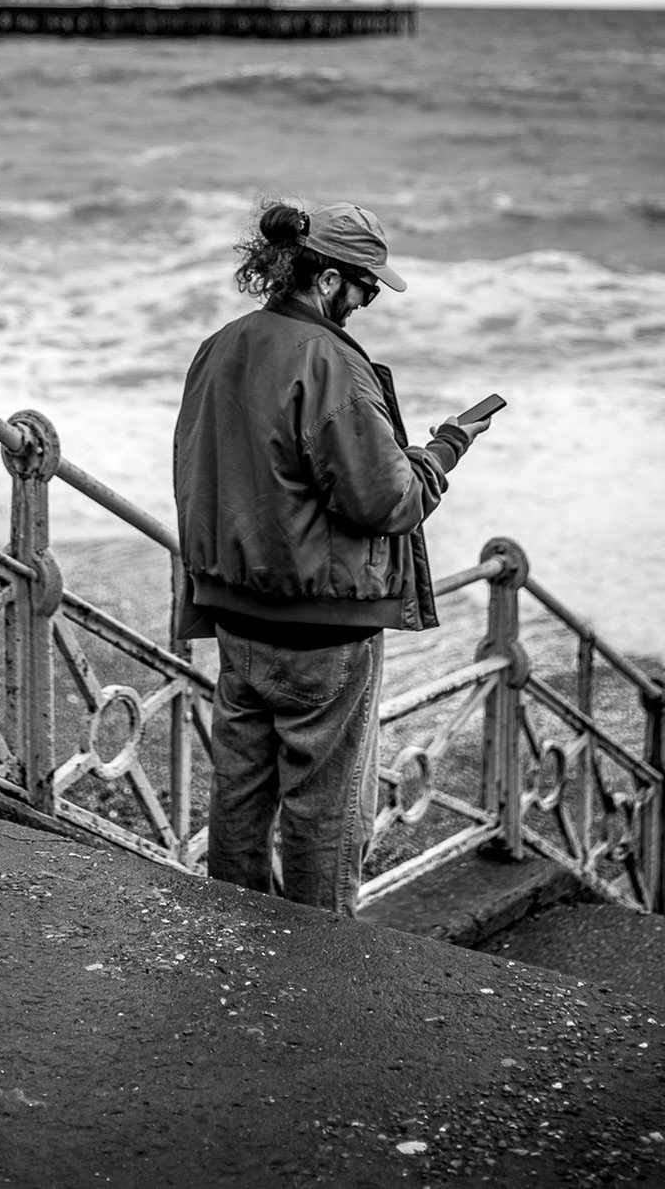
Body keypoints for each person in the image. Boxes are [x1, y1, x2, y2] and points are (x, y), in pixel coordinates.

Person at [172, 200, 492, 916]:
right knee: (325, 810)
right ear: (324, 280)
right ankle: (317, 968)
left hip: (234, 612)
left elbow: (202, 467)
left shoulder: (220, 344)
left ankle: (233, 937)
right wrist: (444, 449)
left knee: (240, 795)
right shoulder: (335, 364)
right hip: (324, 628)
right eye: (366, 286)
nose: (369, 301)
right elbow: (385, 501)